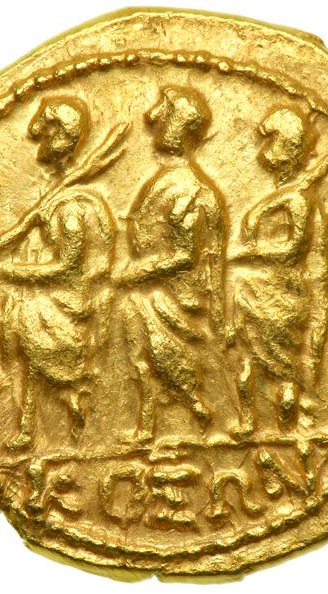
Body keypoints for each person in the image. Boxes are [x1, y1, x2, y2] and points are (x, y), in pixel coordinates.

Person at [0, 97, 117, 449]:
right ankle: (33, 425)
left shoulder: (70, 207)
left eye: (43, 135)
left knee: (29, 323)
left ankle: (70, 409)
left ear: (56, 138)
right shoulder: (58, 197)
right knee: (28, 340)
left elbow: (68, 266)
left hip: (69, 298)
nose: (35, 141)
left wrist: (18, 272)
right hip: (54, 294)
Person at [230, 106, 328, 436]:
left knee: (282, 364)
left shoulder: (298, 201)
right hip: (253, 292)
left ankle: (286, 429)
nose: (263, 149)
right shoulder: (285, 195)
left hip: (284, 294)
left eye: (270, 140)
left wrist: (250, 254)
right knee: (245, 359)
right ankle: (248, 422)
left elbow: (293, 248)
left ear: (285, 148)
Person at [114, 87, 226, 442]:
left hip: (169, 296)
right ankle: (149, 425)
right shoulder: (169, 181)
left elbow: (186, 255)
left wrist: (136, 273)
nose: (151, 120)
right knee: (139, 359)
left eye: (162, 116)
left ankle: (196, 409)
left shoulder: (188, 188)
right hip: (148, 293)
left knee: (157, 356)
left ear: (177, 125)